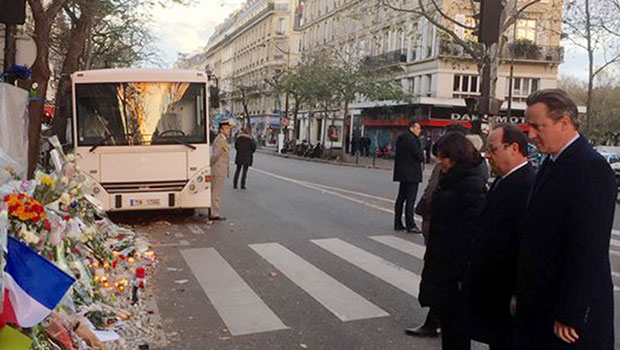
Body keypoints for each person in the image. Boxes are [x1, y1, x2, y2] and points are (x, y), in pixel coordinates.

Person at [516, 89, 616, 349]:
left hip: (567, 318)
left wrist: (571, 313)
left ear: (565, 122)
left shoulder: (590, 167)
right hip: (541, 304)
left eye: (538, 126)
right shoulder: (553, 162)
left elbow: (588, 248)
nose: (531, 134)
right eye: (529, 126)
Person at [418, 132, 487, 350]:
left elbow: (471, 234)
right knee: (450, 328)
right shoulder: (451, 180)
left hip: (455, 272)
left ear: (456, 157)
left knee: (457, 331)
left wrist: (461, 273)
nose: (439, 162)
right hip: (444, 266)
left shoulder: (470, 185)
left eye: (443, 157)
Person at [469, 124, 535, 350]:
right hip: (494, 287)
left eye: (493, 149)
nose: (488, 155)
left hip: (507, 288)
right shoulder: (504, 179)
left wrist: (519, 291)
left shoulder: (527, 185)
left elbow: (524, 245)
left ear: (513, 148)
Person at [393, 119, 424, 233]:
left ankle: (398, 222)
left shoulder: (402, 138)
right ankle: (410, 224)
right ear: (412, 127)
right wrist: (422, 156)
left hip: (402, 173)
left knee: (401, 198)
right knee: (410, 200)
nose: (420, 131)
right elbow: (419, 156)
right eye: (418, 128)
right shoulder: (412, 139)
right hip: (412, 173)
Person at [209, 120, 231, 221]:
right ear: (221, 130)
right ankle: (214, 213)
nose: (228, 130)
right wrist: (209, 164)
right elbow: (215, 155)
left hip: (219, 169)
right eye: (226, 128)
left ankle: (213, 211)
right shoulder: (220, 140)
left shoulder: (222, 140)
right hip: (218, 169)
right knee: (216, 193)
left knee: (215, 192)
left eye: (229, 128)